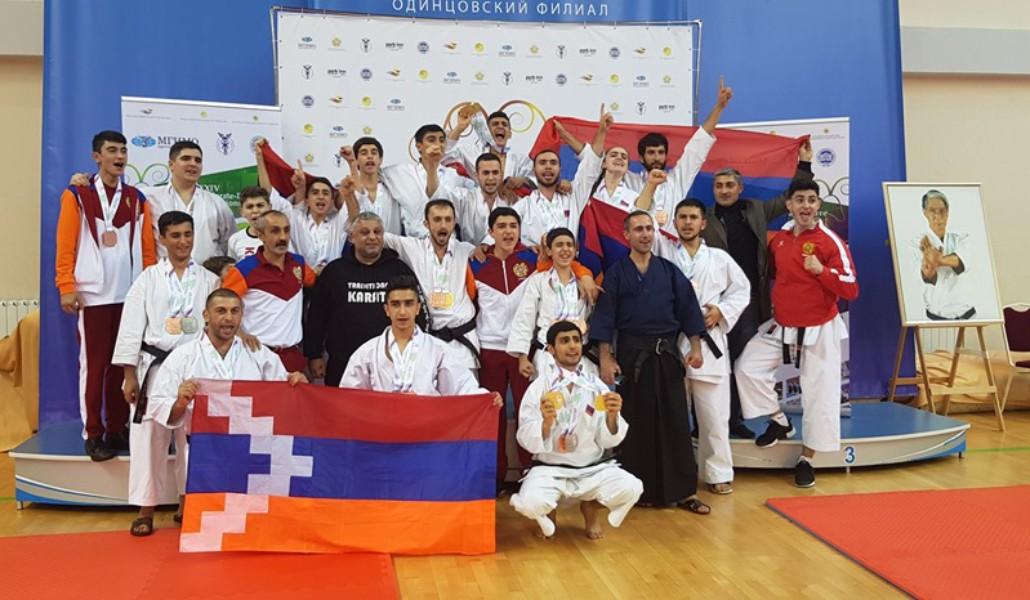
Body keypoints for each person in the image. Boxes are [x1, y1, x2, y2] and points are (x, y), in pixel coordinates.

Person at [734, 177, 859, 488]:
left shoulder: (830, 242)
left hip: (820, 328)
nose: (806, 206)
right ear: (789, 205)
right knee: (746, 368)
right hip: (784, 325)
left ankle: (807, 459)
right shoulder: (779, 240)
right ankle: (779, 421)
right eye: (799, 200)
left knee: (820, 395)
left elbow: (851, 288)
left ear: (819, 205)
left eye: (811, 200)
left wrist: (822, 271)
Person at [148, 288, 307, 525]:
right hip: (204, 452)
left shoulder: (257, 353)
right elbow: (160, 406)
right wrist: (181, 402)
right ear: (206, 315)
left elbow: (283, 389)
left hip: (251, 451)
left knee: (250, 525)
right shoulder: (183, 356)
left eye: (235, 311)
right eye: (221, 311)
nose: (228, 318)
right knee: (210, 526)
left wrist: (296, 381)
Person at [590, 210, 710, 513]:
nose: (645, 234)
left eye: (648, 229)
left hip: (667, 353)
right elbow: (605, 318)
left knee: (675, 420)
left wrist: (696, 347)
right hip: (632, 355)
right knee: (637, 423)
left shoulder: (669, 271)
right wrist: (605, 357)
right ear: (626, 235)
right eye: (638, 229)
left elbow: (688, 310)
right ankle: (638, 489)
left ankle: (684, 491)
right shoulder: (616, 273)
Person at [111, 210, 221, 536]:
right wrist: (129, 375)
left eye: (188, 234)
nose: (183, 242)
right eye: (175, 236)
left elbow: (216, 326)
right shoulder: (148, 279)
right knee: (149, 437)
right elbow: (131, 327)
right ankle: (145, 509)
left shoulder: (208, 279)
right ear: (162, 239)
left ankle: (188, 504)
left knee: (192, 439)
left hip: (194, 366)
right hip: (155, 366)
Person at [693, 143, 815, 434]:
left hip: (748, 302)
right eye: (719, 186)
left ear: (740, 188)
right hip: (712, 303)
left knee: (740, 360)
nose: (724, 190)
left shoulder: (756, 210)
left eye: (729, 185)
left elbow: (790, 198)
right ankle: (703, 424)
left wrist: (805, 164)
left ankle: (734, 421)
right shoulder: (703, 218)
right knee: (710, 364)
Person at [56, 130, 157, 460]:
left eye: (123, 151)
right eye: (112, 150)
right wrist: (66, 286)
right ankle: (93, 432)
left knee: (121, 365)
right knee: (95, 367)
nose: (120, 156)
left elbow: (147, 248)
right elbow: (65, 244)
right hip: (94, 295)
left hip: (129, 295)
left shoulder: (136, 198)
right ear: (96, 157)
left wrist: (150, 285)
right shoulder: (78, 194)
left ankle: (116, 428)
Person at [509, 320, 643, 539]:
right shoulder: (539, 387)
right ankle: (548, 513)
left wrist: (612, 416)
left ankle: (591, 508)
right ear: (551, 349)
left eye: (576, 340)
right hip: (550, 469)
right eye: (564, 341)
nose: (572, 346)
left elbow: (609, 440)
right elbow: (525, 436)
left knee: (632, 487)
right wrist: (546, 424)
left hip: (592, 468)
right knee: (530, 503)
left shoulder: (596, 386)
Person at [653, 198, 751, 494]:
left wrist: (721, 311)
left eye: (693, 217)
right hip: (673, 341)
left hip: (709, 344)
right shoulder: (663, 251)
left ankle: (718, 472)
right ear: (674, 222)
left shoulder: (719, 258)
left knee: (714, 416)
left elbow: (742, 290)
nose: (687, 222)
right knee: (672, 415)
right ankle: (674, 475)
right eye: (682, 217)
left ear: (703, 223)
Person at [339, 275, 500, 403]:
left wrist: (486, 399)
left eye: (409, 304)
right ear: (386, 309)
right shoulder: (367, 352)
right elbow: (349, 397)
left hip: (426, 428)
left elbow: (462, 386)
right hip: (382, 427)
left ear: (418, 308)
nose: (402, 312)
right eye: (395, 304)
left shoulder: (438, 349)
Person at [304, 212, 417, 386]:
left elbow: (416, 314)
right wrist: (314, 354)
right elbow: (317, 316)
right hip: (343, 364)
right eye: (365, 232)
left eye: (377, 232)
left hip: (391, 363)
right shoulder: (334, 272)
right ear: (351, 237)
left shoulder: (399, 270)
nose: (372, 237)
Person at [470, 207, 539, 486]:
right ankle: (494, 476)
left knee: (527, 411)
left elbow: (568, 262)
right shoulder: (476, 263)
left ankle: (530, 473)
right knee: (493, 415)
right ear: (491, 232)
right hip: (489, 349)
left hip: (523, 350)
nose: (508, 231)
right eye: (501, 226)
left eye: (513, 225)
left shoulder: (533, 259)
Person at [382, 199, 480, 370]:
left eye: (448, 220)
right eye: (437, 219)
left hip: (462, 342)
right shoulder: (412, 247)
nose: (443, 225)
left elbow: (498, 249)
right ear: (426, 223)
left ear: (454, 222)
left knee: (466, 388)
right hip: (428, 341)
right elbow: (373, 234)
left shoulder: (467, 250)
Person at [624, 78, 733, 224]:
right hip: (639, 238)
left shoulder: (677, 179)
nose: (656, 157)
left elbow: (698, 146)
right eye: (651, 152)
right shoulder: (629, 180)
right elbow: (601, 168)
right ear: (641, 158)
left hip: (673, 239)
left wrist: (719, 107)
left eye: (661, 152)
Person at [221, 210, 317, 373]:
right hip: (256, 355)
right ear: (260, 235)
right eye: (275, 231)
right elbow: (220, 307)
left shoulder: (298, 264)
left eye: (286, 230)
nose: (283, 237)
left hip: (292, 356)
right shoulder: (244, 269)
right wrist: (239, 333)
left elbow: (315, 282)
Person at [515, 107, 611, 247]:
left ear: (560, 169)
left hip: (570, 259)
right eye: (542, 163)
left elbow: (591, 165)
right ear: (534, 170)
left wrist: (601, 131)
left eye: (553, 163)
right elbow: (501, 229)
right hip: (536, 260)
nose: (548, 166)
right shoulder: (523, 205)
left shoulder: (573, 197)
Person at [508, 228, 596, 380]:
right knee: (550, 395)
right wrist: (522, 356)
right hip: (548, 356)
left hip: (580, 355)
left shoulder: (585, 282)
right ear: (549, 251)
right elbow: (525, 318)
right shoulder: (538, 281)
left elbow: (594, 317)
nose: (565, 249)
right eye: (559, 245)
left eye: (569, 245)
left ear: (575, 250)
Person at [141, 141, 236, 263]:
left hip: (209, 273)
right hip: (164, 273)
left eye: (198, 160)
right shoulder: (150, 198)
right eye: (186, 158)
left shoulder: (217, 203)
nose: (193, 164)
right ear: (171, 164)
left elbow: (229, 244)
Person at [379, 124, 468, 238]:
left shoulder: (454, 176)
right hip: (413, 242)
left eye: (441, 140)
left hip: (448, 241)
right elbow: (370, 171)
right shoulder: (400, 172)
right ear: (419, 146)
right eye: (431, 140)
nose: (437, 144)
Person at [913, 189, 975, 320]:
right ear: (925, 213)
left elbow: (960, 261)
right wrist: (929, 267)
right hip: (935, 316)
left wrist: (938, 259)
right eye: (932, 211)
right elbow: (926, 276)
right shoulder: (918, 242)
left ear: (948, 212)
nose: (938, 215)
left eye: (942, 210)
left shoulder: (961, 237)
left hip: (967, 313)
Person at [445, 106, 534, 184]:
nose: (500, 126)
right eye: (495, 124)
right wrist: (459, 128)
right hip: (479, 197)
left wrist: (523, 180)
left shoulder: (520, 160)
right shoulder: (472, 153)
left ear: (510, 134)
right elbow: (445, 155)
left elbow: (536, 179)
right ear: (487, 132)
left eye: (504, 124)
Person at [339, 137, 403, 235]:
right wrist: (351, 163)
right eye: (364, 153)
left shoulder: (393, 188)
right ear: (357, 160)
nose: (369, 156)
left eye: (374, 153)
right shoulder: (349, 191)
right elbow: (353, 222)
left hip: (392, 244)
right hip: (362, 244)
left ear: (380, 160)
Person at [449, 153, 514, 244]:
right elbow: (437, 196)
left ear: (501, 175)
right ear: (477, 175)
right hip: (470, 251)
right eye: (486, 173)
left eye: (495, 172)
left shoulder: (511, 200)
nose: (491, 178)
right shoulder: (465, 198)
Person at [227, 186, 275, 260]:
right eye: (250, 207)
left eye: (260, 205)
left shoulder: (280, 236)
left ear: (270, 208)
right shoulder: (235, 240)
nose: (255, 210)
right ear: (241, 212)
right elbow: (233, 266)